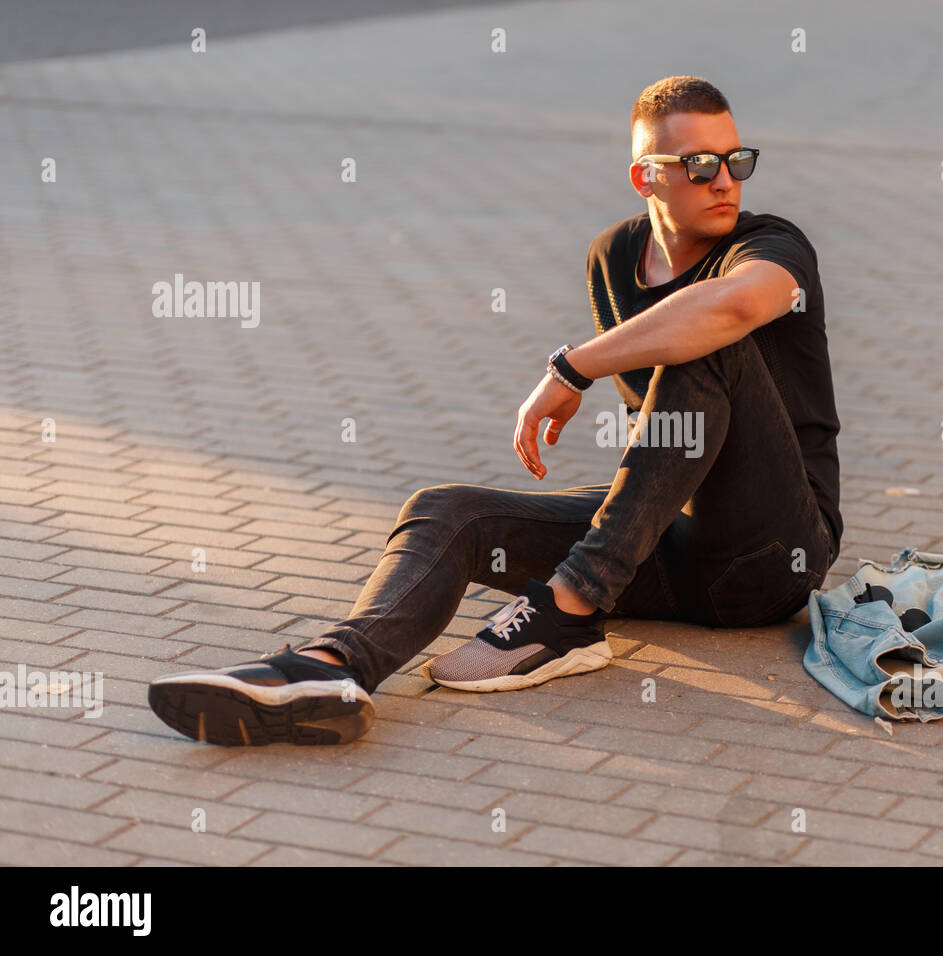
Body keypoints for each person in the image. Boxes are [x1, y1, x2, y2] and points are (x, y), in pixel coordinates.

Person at [146, 75, 842, 746]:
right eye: (697, 164)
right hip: (672, 552)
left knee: (702, 338)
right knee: (445, 510)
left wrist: (573, 367)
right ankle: (330, 673)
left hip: (772, 558)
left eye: (736, 160)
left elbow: (739, 304)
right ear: (646, 177)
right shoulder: (615, 254)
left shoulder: (772, 244)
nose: (725, 180)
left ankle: (568, 611)